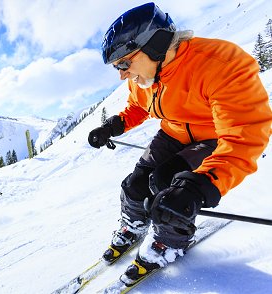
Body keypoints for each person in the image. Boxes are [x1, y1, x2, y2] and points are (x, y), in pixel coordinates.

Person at [88, 2, 272, 283]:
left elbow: (244, 133)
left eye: (124, 63)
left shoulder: (220, 64)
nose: (122, 74)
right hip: (172, 133)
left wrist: (201, 186)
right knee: (135, 184)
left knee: (169, 187)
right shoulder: (143, 78)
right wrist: (112, 126)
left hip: (213, 136)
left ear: (155, 44)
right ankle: (134, 224)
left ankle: (169, 241)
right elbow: (139, 107)